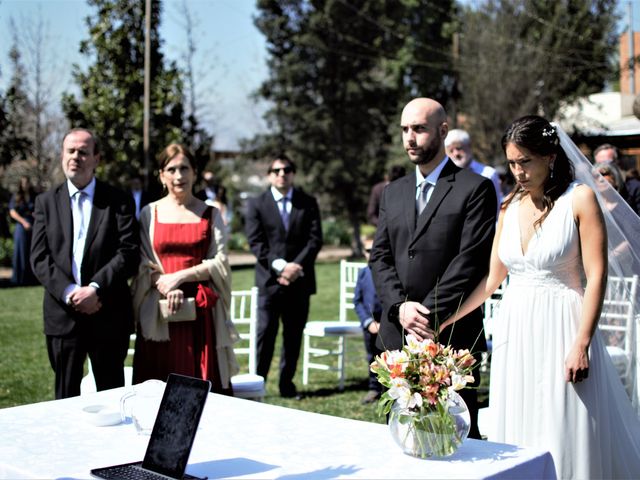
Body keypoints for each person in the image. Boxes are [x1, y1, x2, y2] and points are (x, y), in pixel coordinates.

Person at [439, 115, 640, 479]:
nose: (518, 171)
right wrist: (446, 320)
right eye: (512, 163)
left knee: (565, 420)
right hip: (516, 329)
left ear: (549, 156)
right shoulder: (508, 208)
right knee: (519, 414)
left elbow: (596, 276)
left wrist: (582, 342)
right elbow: (491, 282)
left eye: (525, 161)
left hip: (564, 323)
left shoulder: (579, 199)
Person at [369, 98, 497, 439]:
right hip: (397, 336)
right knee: (401, 438)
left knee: (455, 442)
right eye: (405, 130)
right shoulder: (392, 193)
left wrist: (426, 317)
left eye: (419, 129)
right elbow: (380, 257)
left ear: (442, 131)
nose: (410, 137)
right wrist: (399, 308)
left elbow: (470, 260)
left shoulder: (476, 189)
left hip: (450, 335)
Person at [30, 128, 139, 399]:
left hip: (109, 313)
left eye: (83, 152)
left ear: (96, 158)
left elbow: (128, 252)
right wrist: (70, 293)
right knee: (65, 399)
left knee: (111, 398)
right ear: (62, 155)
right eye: (70, 151)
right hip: (63, 317)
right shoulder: (46, 202)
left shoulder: (118, 201)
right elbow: (39, 256)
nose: (76, 157)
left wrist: (95, 288)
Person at [130, 144, 238, 393]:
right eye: (172, 169)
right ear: (162, 175)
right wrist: (166, 286)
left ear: (195, 172)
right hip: (159, 313)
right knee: (156, 388)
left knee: (203, 391)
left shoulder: (211, 214)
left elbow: (220, 261)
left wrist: (180, 277)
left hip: (201, 314)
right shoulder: (149, 213)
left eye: (185, 168)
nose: (179, 176)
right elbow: (143, 262)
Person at [244, 153, 323, 398]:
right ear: (269, 175)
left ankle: (286, 384)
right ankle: (258, 384)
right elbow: (256, 242)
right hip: (269, 281)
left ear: (293, 173)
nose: (282, 174)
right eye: (276, 170)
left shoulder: (308, 202)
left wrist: (294, 268)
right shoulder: (257, 204)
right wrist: (280, 267)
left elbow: (315, 240)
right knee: (265, 335)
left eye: (287, 169)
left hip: (299, 282)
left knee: (293, 336)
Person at [445, 128, 503, 213]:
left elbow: (496, 208)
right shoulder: (444, 177)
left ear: (469, 146)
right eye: (451, 150)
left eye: (459, 148)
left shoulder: (488, 174)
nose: (456, 153)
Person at [353, 236, 383, 404]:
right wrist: (368, 322)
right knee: (372, 355)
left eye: (374, 249)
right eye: (367, 250)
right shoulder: (363, 273)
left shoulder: (388, 272)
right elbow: (357, 301)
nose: (371, 253)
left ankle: (391, 388)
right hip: (370, 324)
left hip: (387, 322)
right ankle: (374, 387)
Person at [9, 176, 38, 285]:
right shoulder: (16, 196)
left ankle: (31, 278)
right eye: (24, 183)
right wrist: (23, 222)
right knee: (20, 251)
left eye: (27, 182)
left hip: (33, 225)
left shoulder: (33, 196)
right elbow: (12, 212)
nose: (26, 185)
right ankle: (19, 278)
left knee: (31, 251)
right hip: (21, 227)